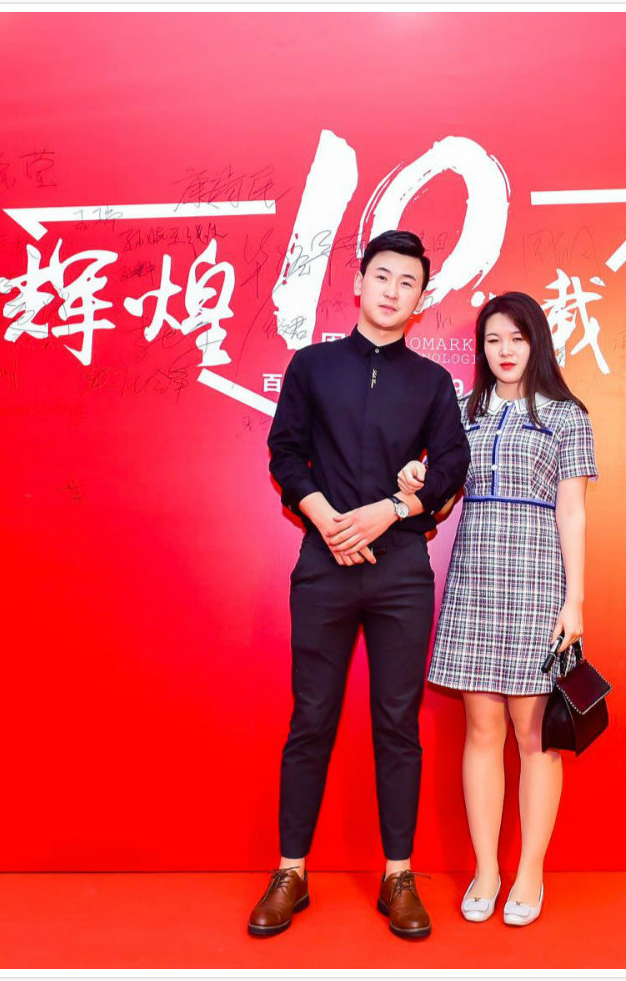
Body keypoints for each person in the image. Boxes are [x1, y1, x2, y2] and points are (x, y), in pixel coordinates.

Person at [252, 230, 469, 939]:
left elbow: (451, 467)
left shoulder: (432, 383)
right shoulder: (312, 366)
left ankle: (397, 875)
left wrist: (392, 510)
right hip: (323, 564)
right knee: (310, 717)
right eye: (383, 276)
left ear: (421, 299)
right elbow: (286, 452)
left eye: (408, 282)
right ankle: (291, 871)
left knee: (397, 723)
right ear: (359, 282)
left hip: (401, 569)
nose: (392, 291)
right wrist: (329, 522)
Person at [402, 293, 597, 928]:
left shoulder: (567, 415)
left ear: (536, 341)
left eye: (516, 337)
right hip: (475, 583)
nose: (504, 350)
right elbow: (440, 496)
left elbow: (573, 511)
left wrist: (574, 600)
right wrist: (415, 481)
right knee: (481, 733)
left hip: (538, 585)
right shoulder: (465, 412)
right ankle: (486, 871)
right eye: (492, 340)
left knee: (534, 739)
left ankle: (529, 873)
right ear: (481, 348)